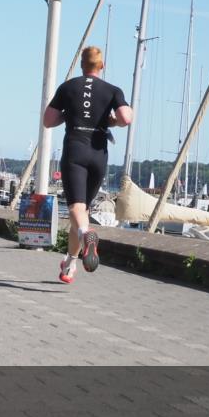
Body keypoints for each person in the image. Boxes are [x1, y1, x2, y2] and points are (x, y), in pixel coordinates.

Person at [43, 46, 132, 283]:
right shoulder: (113, 90)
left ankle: (87, 234)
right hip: (98, 153)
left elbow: (48, 120)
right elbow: (125, 118)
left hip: (75, 149)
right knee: (81, 212)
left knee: (76, 208)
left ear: (82, 65)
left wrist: (69, 115)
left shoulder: (68, 87)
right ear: (101, 66)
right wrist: (108, 121)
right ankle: (69, 265)